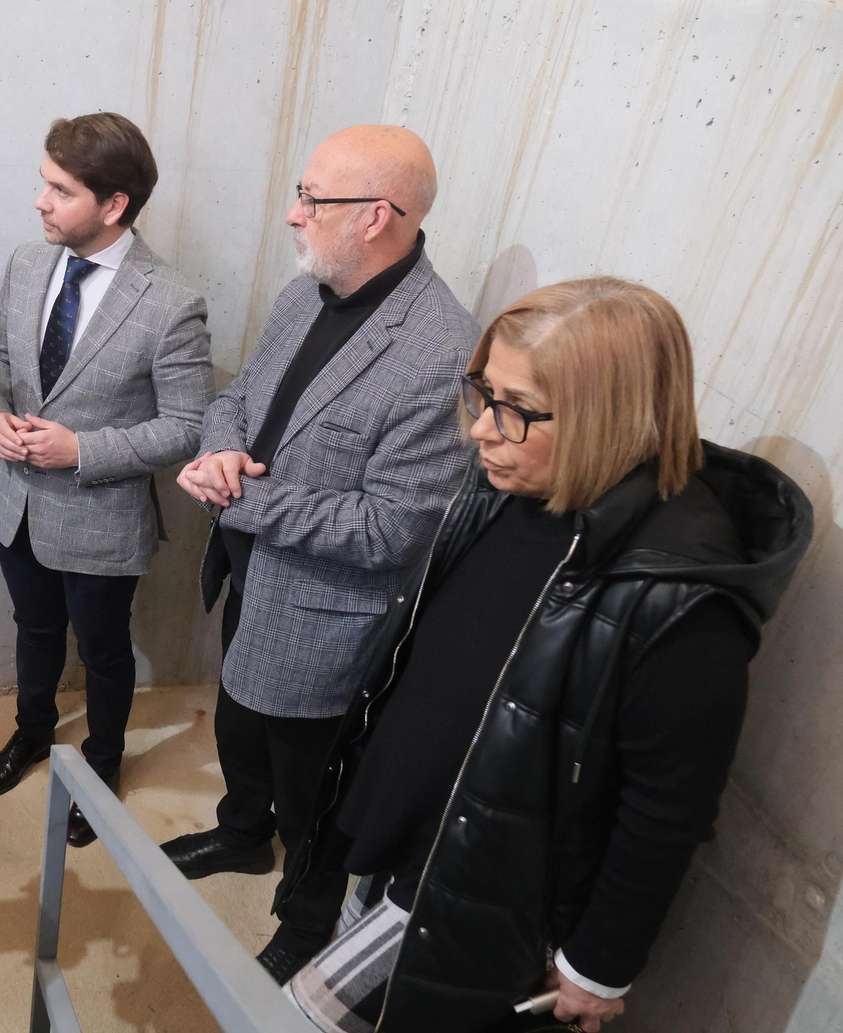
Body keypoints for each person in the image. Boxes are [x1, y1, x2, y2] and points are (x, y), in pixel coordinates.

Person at [278, 278, 812, 1033]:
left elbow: (667, 809)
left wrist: (597, 965)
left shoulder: (682, 599)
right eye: (482, 393)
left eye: (517, 409)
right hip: (404, 831)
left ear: (608, 417)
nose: (480, 431)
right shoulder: (514, 485)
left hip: (474, 882)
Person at [160, 125, 478, 979]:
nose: (292, 215)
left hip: (324, 620)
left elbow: (390, 529)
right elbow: (241, 396)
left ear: (377, 216)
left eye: (311, 199)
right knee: (237, 725)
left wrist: (240, 494)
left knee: (314, 796)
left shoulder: (440, 353)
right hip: (249, 574)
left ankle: (306, 923)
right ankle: (238, 833)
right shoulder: (309, 292)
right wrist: (219, 449)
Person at [0, 113, 215, 847]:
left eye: (59, 190)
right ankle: (32, 735)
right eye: (43, 184)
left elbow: (189, 426)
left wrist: (81, 450)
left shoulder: (171, 302)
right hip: (14, 504)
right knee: (34, 630)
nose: (40, 201)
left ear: (113, 205)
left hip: (102, 517)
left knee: (104, 652)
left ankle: (103, 768)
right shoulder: (25, 263)